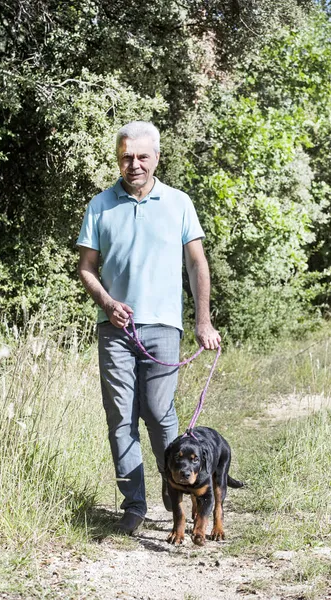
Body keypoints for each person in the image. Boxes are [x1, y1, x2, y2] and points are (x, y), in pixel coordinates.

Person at [77, 121, 221, 535]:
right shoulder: (100, 205)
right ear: (118, 158)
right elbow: (86, 268)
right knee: (121, 416)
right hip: (115, 329)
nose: (134, 164)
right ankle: (134, 507)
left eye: (142, 156)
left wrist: (203, 320)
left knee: (159, 414)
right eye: (126, 156)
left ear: (156, 157)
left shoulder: (178, 203)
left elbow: (197, 264)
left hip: (164, 328)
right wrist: (106, 301)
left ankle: (178, 491)